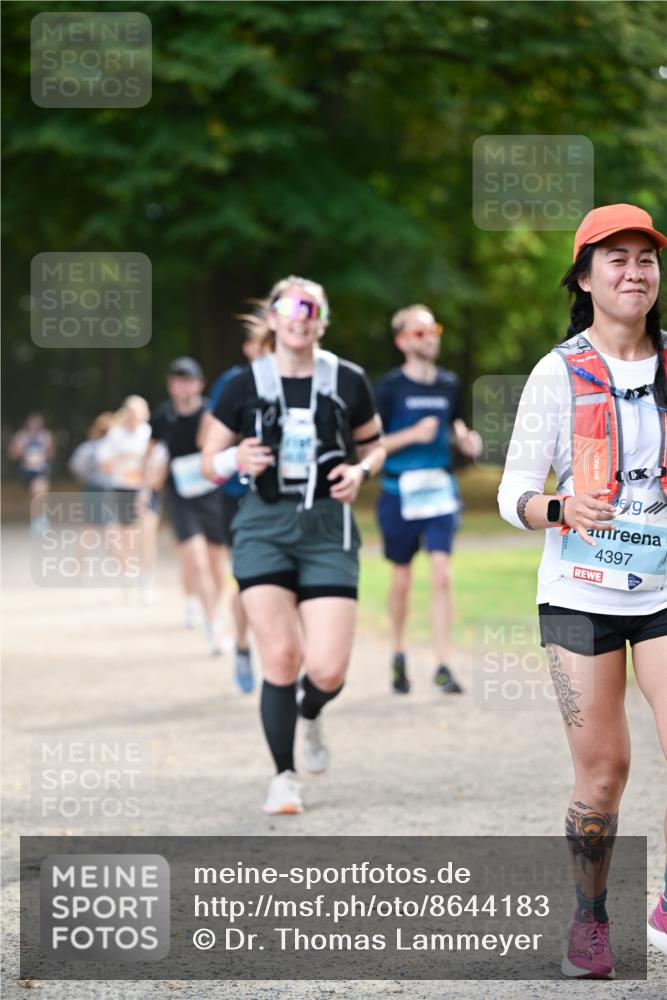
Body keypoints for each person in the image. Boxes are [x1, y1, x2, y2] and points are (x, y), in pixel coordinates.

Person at [498, 204, 667, 976]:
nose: (633, 272)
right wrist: (562, 507)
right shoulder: (556, 372)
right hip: (581, 590)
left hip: (663, 584)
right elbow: (513, 496)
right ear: (584, 275)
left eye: (645, 259)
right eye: (616, 259)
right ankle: (589, 918)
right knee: (602, 776)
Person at [202, 275, 385, 814]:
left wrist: (361, 470)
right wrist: (234, 460)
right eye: (290, 307)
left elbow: (375, 447)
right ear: (274, 318)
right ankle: (283, 776)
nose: (300, 316)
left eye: (311, 308)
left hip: (329, 527)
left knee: (327, 669)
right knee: (281, 654)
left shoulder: (348, 379)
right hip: (263, 525)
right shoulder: (243, 383)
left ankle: (311, 712)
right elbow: (206, 458)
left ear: (321, 321)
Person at [374, 305, 481, 695]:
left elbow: (454, 424)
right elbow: (371, 444)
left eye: (433, 329)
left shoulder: (448, 384)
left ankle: (442, 662)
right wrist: (412, 436)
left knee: (442, 575)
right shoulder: (389, 388)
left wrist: (466, 438)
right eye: (419, 332)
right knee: (401, 580)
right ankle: (399, 654)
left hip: (439, 490)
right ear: (402, 341)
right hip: (398, 491)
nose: (430, 337)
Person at [145, 358, 228, 655]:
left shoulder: (212, 413)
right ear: (170, 385)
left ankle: (208, 606)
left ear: (199, 383)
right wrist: (148, 482)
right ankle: (213, 623)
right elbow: (150, 452)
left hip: (212, 495)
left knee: (217, 561)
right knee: (196, 559)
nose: (183, 385)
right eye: (177, 379)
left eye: (188, 379)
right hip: (180, 497)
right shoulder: (162, 417)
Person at [206, 329, 265, 693]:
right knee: (245, 579)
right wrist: (235, 455)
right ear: (247, 347)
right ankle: (243, 646)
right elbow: (208, 449)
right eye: (259, 341)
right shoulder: (233, 382)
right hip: (237, 495)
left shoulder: (304, 377)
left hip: (287, 500)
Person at [97, 396, 153, 596]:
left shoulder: (149, 434)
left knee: (146, 534)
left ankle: (146, 580)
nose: (133, 416)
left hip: (145, 489)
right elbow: (103, 463)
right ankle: (129, 571)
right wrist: (122, 457)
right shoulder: (115, 435)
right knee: (126, 537)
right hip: (123, 489)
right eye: (130, 411)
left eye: (137, 412)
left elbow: (159, 460)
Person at [9, 413, 54, 533]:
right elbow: (13, 453)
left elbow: (50, 452)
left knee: (39, 493)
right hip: (27, 471)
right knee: (31, 496)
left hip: (41, 470)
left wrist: (41, 456)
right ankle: (36, 520)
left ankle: (42, 520)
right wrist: (22, 451)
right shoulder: (21, 436)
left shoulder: (45, 436)